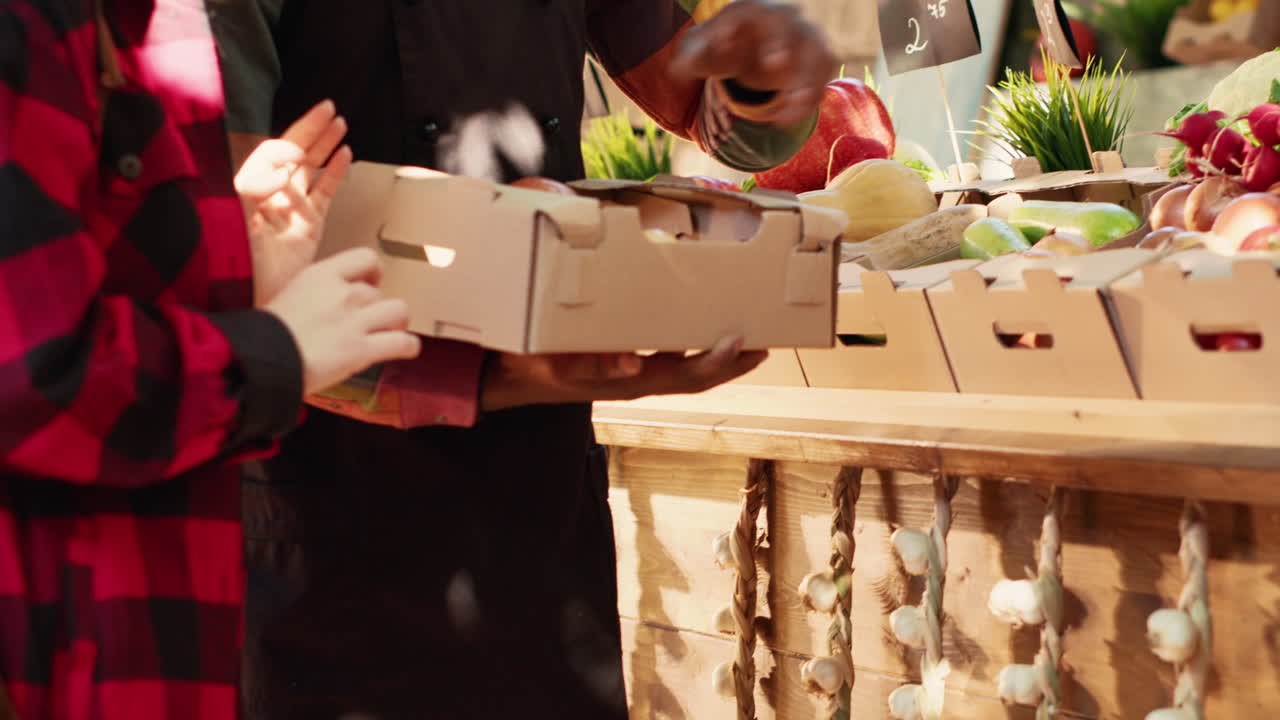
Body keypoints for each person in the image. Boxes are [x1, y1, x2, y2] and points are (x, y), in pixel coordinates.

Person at [211, 1, 836, 717]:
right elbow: (226, 258)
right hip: (327, 510)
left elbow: (702, 102)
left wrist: (759, 80)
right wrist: (488, 377)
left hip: (536, 496)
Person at [0, 1, 421, 717]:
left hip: (143, 637)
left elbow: (86, 264)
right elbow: (33, 375)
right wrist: (276, 353)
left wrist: (230, 262)